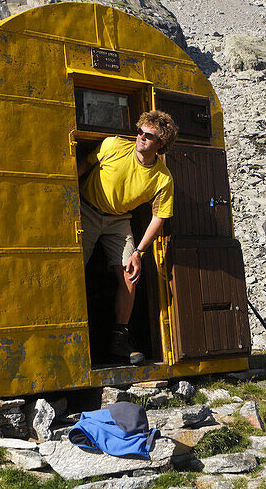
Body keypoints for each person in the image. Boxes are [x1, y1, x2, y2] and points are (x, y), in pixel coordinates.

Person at [79, 109, 178, 365]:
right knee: (74, 268)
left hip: (119, 220)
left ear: (161, 144)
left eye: (148, 136)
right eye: (139, 132)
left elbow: (159, 217)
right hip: (86, 209)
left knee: (130, 274)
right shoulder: (113, 146)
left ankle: (119, 339)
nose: (141, 138)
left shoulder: (162, 179)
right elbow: (82, 165)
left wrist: (139, 253)